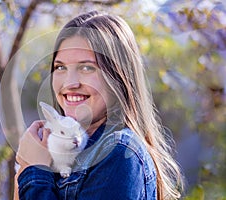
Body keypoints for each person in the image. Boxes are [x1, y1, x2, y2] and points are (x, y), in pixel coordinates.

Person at [14, 11, 184, 200]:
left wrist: (34, 170)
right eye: (60, 67)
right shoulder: (54, 151)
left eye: (87, 68)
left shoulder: (119, 153)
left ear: (118, 77)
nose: (70, 83)